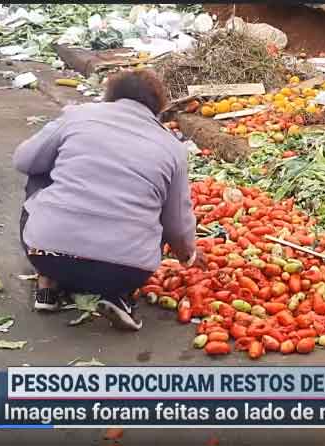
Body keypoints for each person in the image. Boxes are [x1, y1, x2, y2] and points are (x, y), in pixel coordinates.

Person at [13, 69, 204, 331]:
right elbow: (176, 225)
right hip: (127, 270)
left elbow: (24, 160)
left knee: (39, 173)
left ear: (110, 96)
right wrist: (188, 256)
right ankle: (118, 295)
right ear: (157, 108)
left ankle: (47, 283)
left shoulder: (78, 116)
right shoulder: (172, 148)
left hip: (48, 255)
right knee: (156, 207)